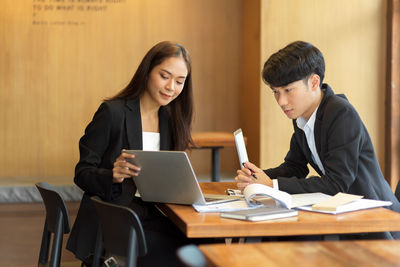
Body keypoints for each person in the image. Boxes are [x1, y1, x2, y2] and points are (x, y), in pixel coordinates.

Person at [235, 41, 400, 239]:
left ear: (314, 82)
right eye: (276, 92)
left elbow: (337, 183)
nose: (281, 101)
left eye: (288, 90)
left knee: (285, 236)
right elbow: (295, 167)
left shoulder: (341, 113)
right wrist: (257, 178)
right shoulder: (301, 117)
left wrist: (271, 185)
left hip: (375, 221)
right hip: (341, 212)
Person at [66, 41, 194, 266]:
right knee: (180, 253)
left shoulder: (171, 121)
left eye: (179, 81)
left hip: (151, 216)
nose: (171, 87)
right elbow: (82, 172)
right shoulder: (113, 113)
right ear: (147, 72)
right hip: (115, 220)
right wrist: (112, 175)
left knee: (206, 244)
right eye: (165, 76)